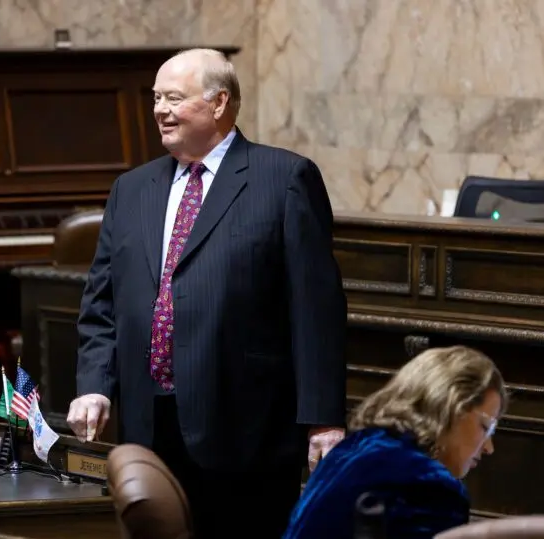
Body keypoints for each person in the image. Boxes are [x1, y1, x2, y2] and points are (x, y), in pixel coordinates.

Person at [67, 48, 348, 536]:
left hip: (246, 429)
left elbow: (316, 310)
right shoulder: (131, 189)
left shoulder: (283, 179)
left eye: (173, 98)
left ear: (219, 104)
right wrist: (94, 383)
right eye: (156, 98)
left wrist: (323, 419)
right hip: (147, 424)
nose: (159, 109)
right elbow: (101, 304)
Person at [283, 346, 506, 538]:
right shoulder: (431, 486)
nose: (489, 447)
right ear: (453, 409)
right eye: (486, 427)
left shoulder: (353, 447)